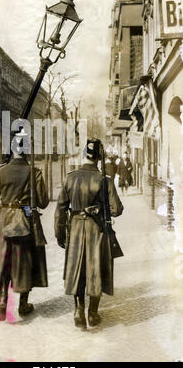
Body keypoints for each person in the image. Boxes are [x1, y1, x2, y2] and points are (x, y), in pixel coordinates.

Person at [54, 138, 123, 329]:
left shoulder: (70, 177)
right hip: (96, 229)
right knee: (95, 268)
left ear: (84, 154)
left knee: (77, 268)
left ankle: (78, 310)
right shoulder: (104, 180)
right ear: (99, 156)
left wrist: (59, 234)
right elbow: (117, 209)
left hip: (75, 228)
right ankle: (93, 313)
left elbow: (60, 209)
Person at [0, 136, 49, 322]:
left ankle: (3, 300)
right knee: (26, 261)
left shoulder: (0, 172)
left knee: (5, 261)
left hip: (5, 222)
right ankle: (23, 304)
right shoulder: (34, 172)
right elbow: (43, 202)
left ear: (11, 150)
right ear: (27, 150)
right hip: (26, 221)